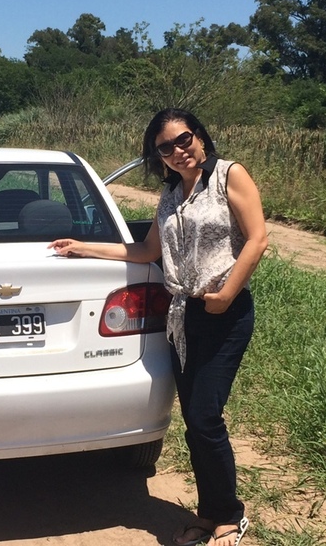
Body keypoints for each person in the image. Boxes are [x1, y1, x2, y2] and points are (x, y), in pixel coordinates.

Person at [49, 108, 267, 546]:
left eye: (183, 140)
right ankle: (208, 515)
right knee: (194, 420)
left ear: (200, 137)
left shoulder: (230, 175)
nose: (177, 152)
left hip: (225, 315)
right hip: (182, 317)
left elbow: (258, 238)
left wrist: (225, 295)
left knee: (205, 417)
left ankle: (229, 514)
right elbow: (148, 251)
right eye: (165, 148)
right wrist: (82, 248)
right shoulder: (170, 194)